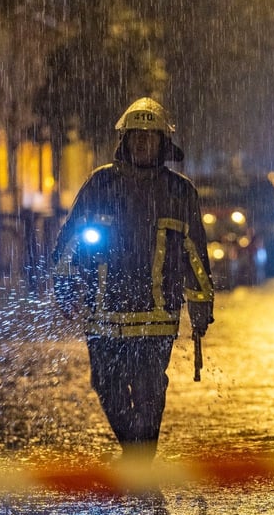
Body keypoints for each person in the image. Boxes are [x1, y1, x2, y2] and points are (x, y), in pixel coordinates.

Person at [52, 97, 214, 462]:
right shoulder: (100, 184)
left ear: (162, 143)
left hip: (158, 316)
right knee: (107, 387)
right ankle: (133, 449)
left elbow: (194, 253)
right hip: (104, 314)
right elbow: (70, 241)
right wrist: (64, 286)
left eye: (150, 137)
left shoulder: (179, 191)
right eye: (136, 136)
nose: (142, 143)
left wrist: (201, 304)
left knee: (149, 389)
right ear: (124, 140)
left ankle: (141, 459)